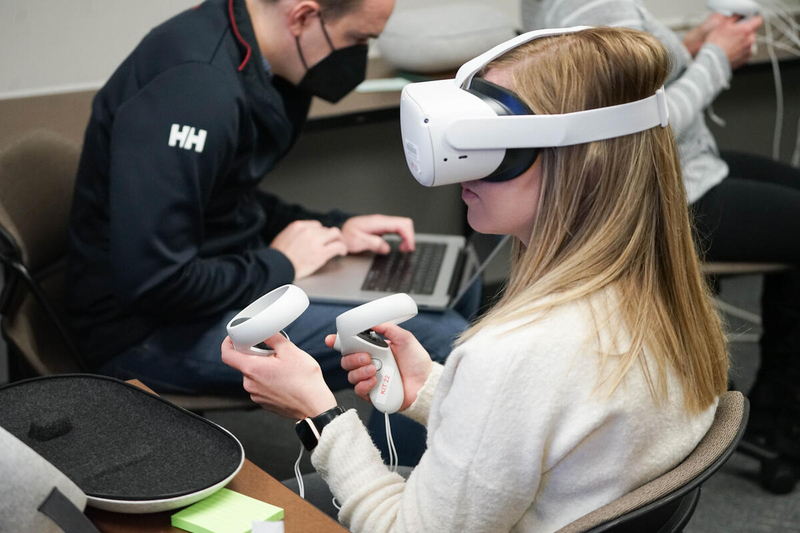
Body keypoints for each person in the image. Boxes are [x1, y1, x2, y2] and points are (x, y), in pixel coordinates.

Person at [220, 27, 730, 532]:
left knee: (256, 513)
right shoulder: (664, 302)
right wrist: (432, 389)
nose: (457, 165)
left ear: (582, 162)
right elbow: (546, 426)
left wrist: (317, 414)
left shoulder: (514, 350)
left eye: (488, 141)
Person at [67, 0, 474, 395]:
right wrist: (282, 264)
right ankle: (405, 469)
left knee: (456, 275)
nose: (358, 56)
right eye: (357, 38)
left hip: (223, 276)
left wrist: (334, 229)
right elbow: (156, 283)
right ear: (302, 16)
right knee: (428, 340)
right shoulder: (195, 91)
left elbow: (224, 200)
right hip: (147, 332)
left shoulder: (252, 54)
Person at [522, 0, 800, 468]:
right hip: (664, 196)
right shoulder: (588, 4)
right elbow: (642, 130)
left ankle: (769, 402)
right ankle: (777, 417)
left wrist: (689, 47)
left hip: (685, 173)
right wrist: (716, 57)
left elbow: (621, 82)